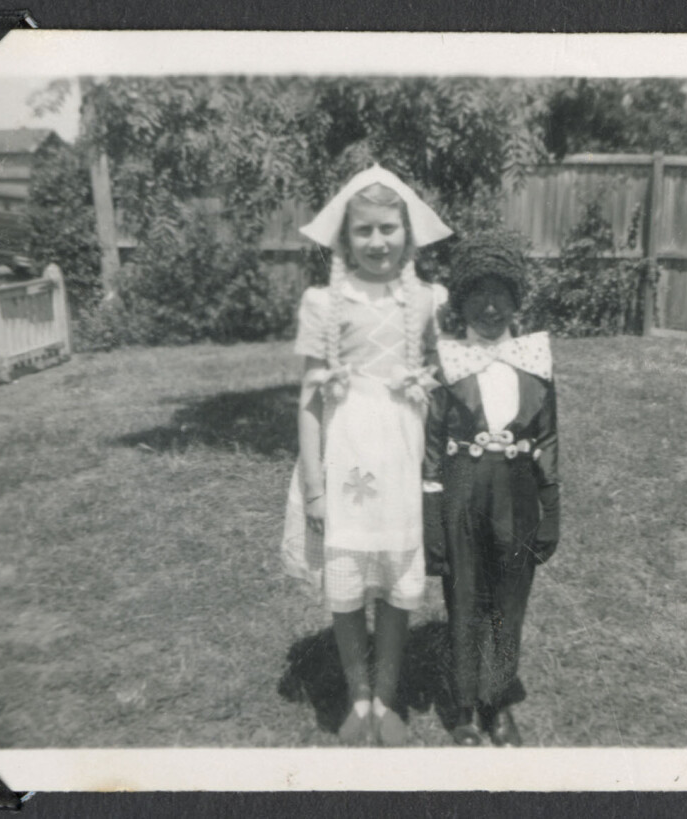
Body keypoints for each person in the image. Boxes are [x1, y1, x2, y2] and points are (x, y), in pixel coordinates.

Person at [281, 165, 452, 746]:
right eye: (364, 230)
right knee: (348, 586)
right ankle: (358, 696)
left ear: (408, 231)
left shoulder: (426, 300)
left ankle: (387, 696)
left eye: (388, 228)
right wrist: (315, 488)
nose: (378, 242)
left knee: (399, 588)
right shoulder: (324, 304)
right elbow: (310, 402)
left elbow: (449, 375)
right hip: (346, 460)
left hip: (403, 460)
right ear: (344, 237)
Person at [422, 234, 561, 747]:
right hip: (462, 491)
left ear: (515, 300)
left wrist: (551, 510)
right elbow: (431, 445)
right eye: (478, 295)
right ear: (460, 302)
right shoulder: (449, 363)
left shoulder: (534, 361)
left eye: (500, 294)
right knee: (464, 597)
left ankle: (497, 701)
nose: (489, 307)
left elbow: (548, 439)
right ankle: (464, 707)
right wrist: (432, 520)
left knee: (509, 598)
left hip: (517, 494)